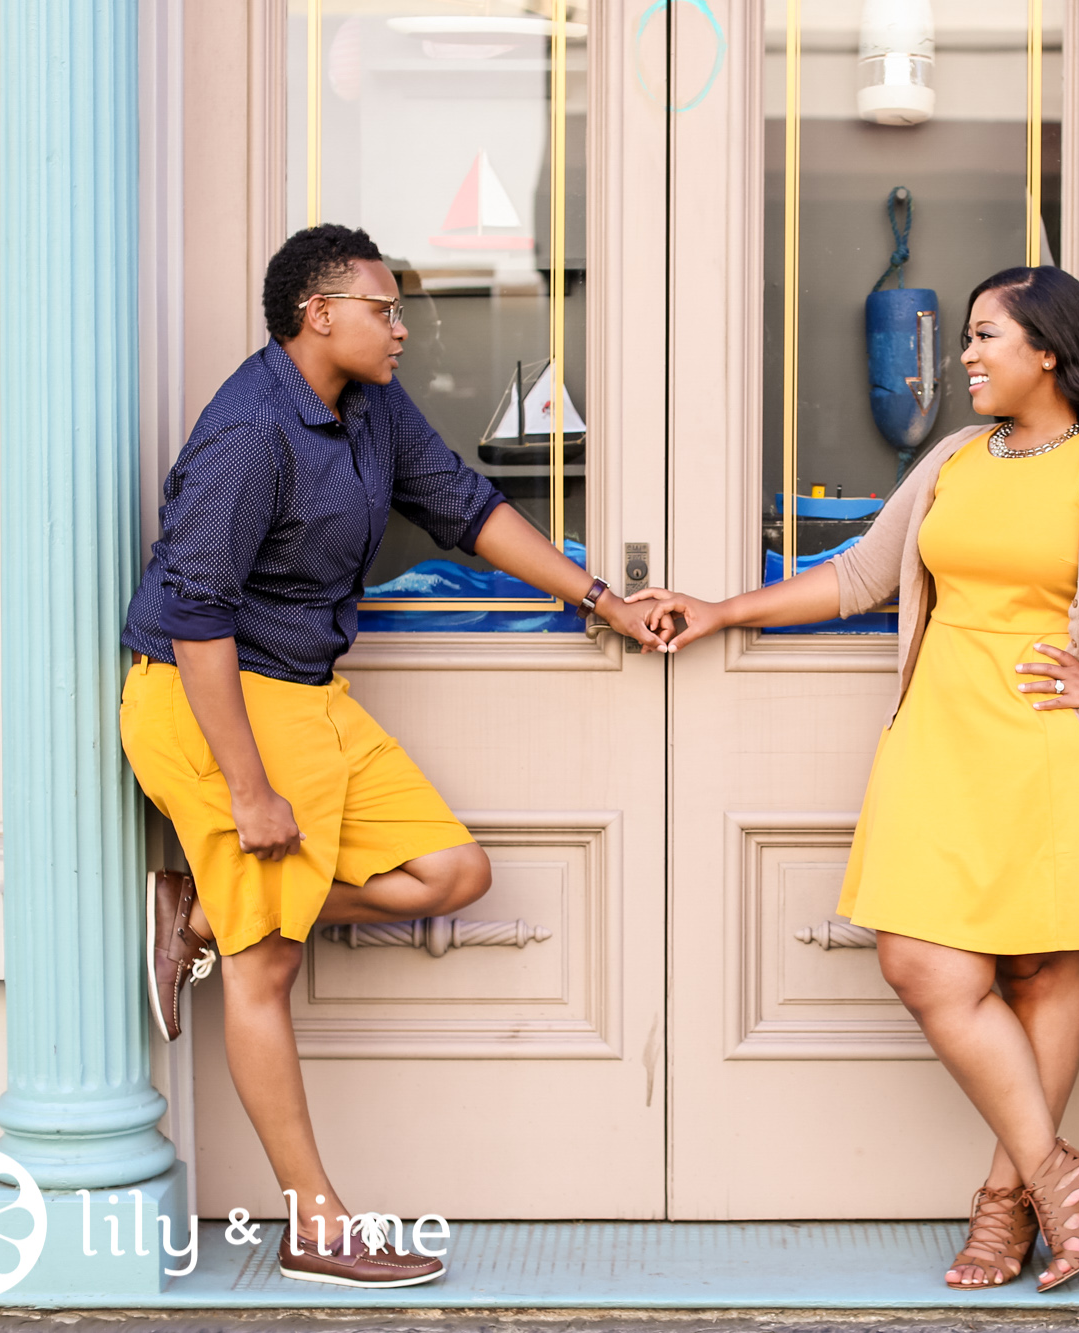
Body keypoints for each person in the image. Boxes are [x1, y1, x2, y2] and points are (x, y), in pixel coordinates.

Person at [633, 266, 1079, 1292]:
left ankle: (1005, 1209)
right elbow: (863, 575)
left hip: (1050, 751)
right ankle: (1061, 1177)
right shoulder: (958, 457)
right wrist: (720, 609)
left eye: (984, 335)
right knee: (923, 966)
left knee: (1039, 973)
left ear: (1047, 350)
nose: (963, 354)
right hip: (941, 746)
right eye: (966, 335)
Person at [119, 224, 670, 1289]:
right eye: (382, 308)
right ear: (317, 314)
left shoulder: (364, 405)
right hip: (212, 704)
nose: (402, 327)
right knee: (265, 963)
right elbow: (193, 621)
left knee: (451, 873)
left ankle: (198, 906)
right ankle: (316, 1224)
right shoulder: (251, 435)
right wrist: (246, 791)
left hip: (309, 693)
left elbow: (463, 505)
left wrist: (600, 599)